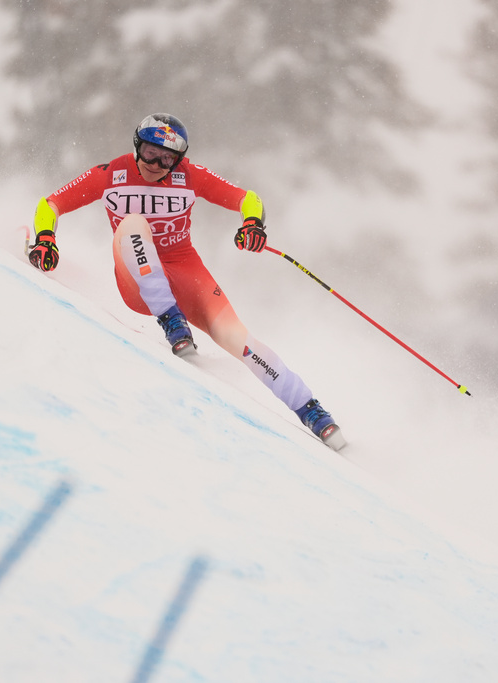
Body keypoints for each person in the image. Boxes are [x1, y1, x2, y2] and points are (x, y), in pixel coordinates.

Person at [26, 113, 345, 450]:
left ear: (179, 159)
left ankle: (312, 411)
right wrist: (45, 238)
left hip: (185, 273)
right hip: (139, 280)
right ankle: (172, 321)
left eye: (168, 158)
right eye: (151, 152)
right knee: (133, 224)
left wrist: (252, 223)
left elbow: (246, 198)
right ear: (138, 146)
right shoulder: (111, 174)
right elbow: (50, 204)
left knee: (238, 337)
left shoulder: (188, 176)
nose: (157, 164)